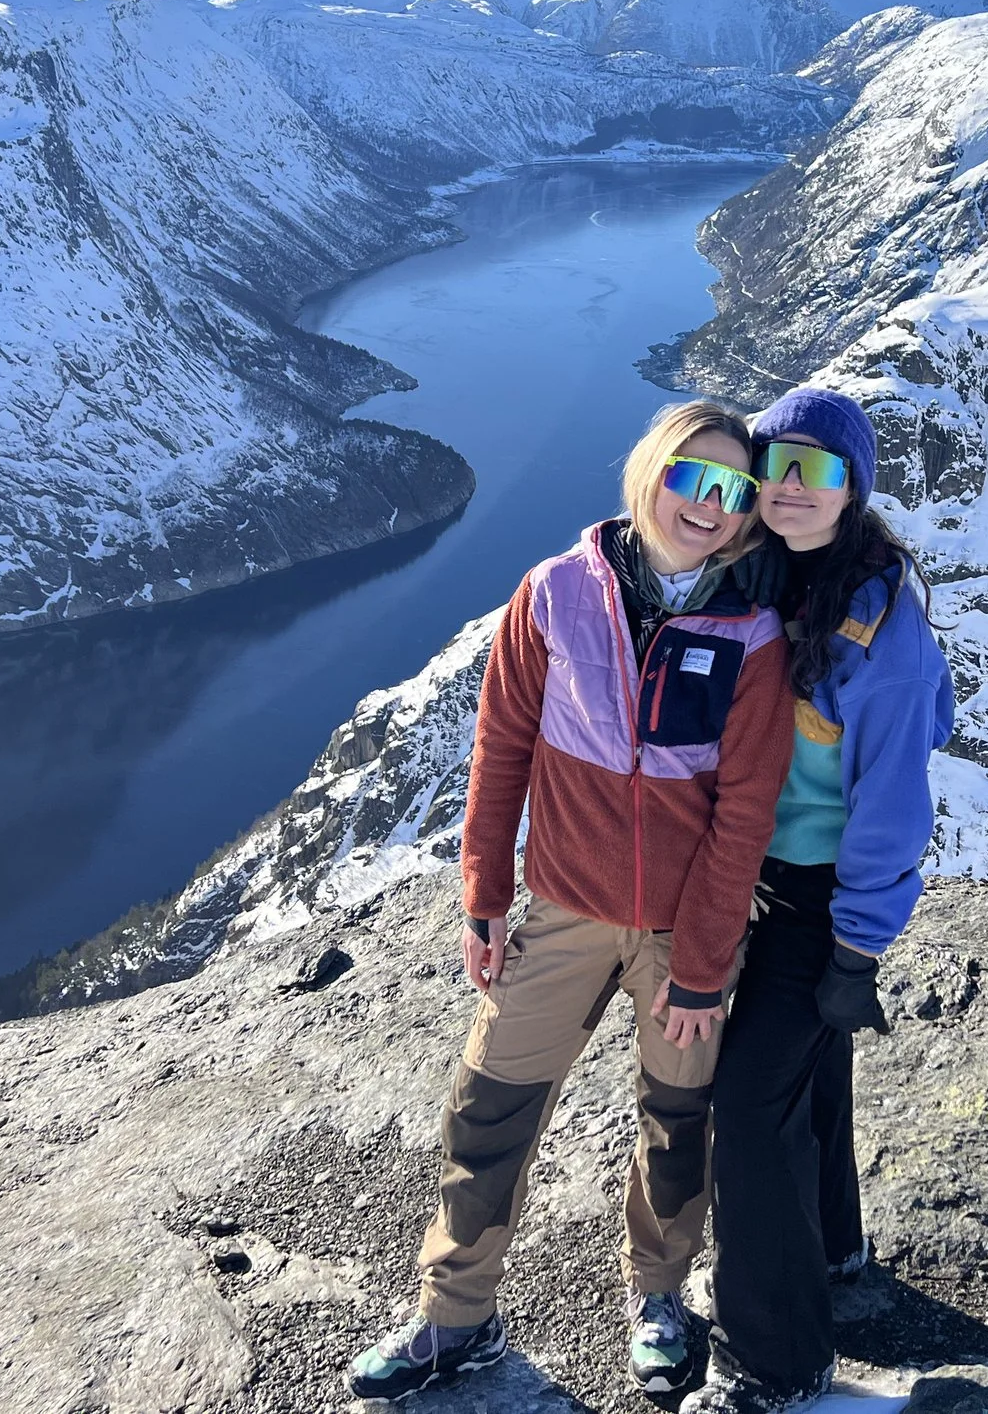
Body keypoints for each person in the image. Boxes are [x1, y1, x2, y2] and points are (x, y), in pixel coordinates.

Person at [348, 400, 794, 1405]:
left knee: (678, 1124)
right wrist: (484, 895)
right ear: (648, 473)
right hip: (559, 908)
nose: (708, 506)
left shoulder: (751, 635)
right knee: (488, 1109)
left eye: (731, 492)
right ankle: (452, 1315)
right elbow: (501, 747)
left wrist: (702, 965)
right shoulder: (552, 595)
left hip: (683, 928)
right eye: (690, 477)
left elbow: (744, 813)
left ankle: (659, 1300)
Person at [691, 387, 955, 1414]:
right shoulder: (771, 578)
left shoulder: (876, 631)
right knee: (810, 1077)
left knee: (746, 1112)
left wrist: (856, 951)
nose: (788, 487)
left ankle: (774, 1360)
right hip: (759, 877)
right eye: (774, 466)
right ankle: (834, 1253)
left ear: (852, 486)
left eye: (815, 469)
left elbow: (890, 805)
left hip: (818, 898)